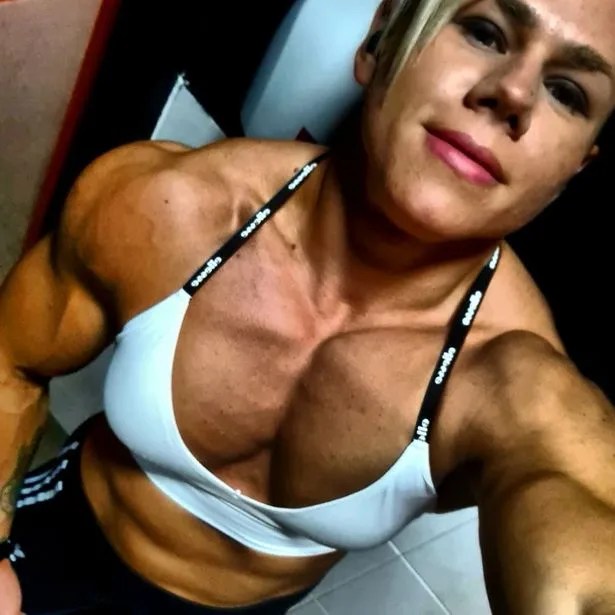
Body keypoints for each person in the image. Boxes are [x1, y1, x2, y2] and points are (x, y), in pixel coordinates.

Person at [1, 0, 614, 612]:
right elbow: (12, 362)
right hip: (58, 533)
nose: (514, 93)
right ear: (379, 41)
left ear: (571, 171)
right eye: (484, 32)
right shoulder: (171, 206)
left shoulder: (516, 388)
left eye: (567, 93)